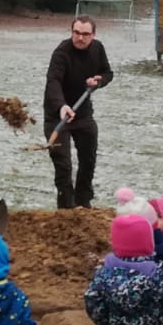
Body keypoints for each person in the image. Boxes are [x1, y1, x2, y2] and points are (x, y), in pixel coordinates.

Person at [42, 16, 115, 209]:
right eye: (76, 33)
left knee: (88, 159)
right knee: (63, 165)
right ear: (71, 32)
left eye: (85, 34)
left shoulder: (97, 48)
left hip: (82, 113)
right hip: (57, 115)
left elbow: (108, 73)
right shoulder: (61, 53)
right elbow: (53, 81)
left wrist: (99, 81)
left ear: (93, 35)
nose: (80, 38)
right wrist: (61, 105)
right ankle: (66, 208)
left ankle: (84, 203)